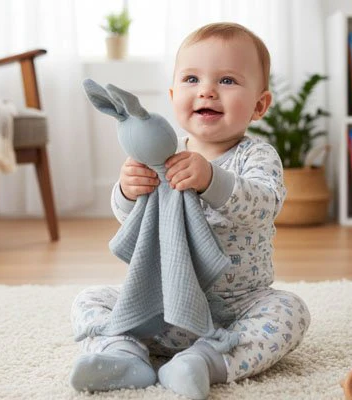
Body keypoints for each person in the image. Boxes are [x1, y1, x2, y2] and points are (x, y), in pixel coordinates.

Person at [69, 22, 311, 400]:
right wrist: (128, 191)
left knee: (290, 311)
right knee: (90, 299)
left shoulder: (257, 155)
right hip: (161, 305)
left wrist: (212, 179)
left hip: (235, 309)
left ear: (259, 105)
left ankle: (204, 361)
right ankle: (124, 354)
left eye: (227, 80)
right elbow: (136, 223)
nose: (206, 90)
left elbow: (264, 205)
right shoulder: (161, 156)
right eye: (191, 79)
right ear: (172, 95)